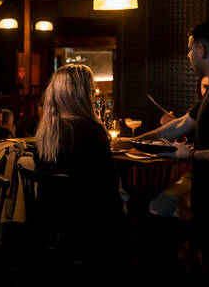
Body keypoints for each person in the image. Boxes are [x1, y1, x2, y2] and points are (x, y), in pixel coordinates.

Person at [112, 20, 209, 282]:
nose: (188, 56)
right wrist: (132, 141)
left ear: (202, 49)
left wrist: (190, 155)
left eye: (189, 49)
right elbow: (181, 124)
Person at [34, 64, 125, 270]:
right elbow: (107, 186)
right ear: (83, 94)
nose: (94, 93)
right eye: (91, 89)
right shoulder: (91, 130)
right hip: (88, 222)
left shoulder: (45, 131)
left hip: (49, 218)